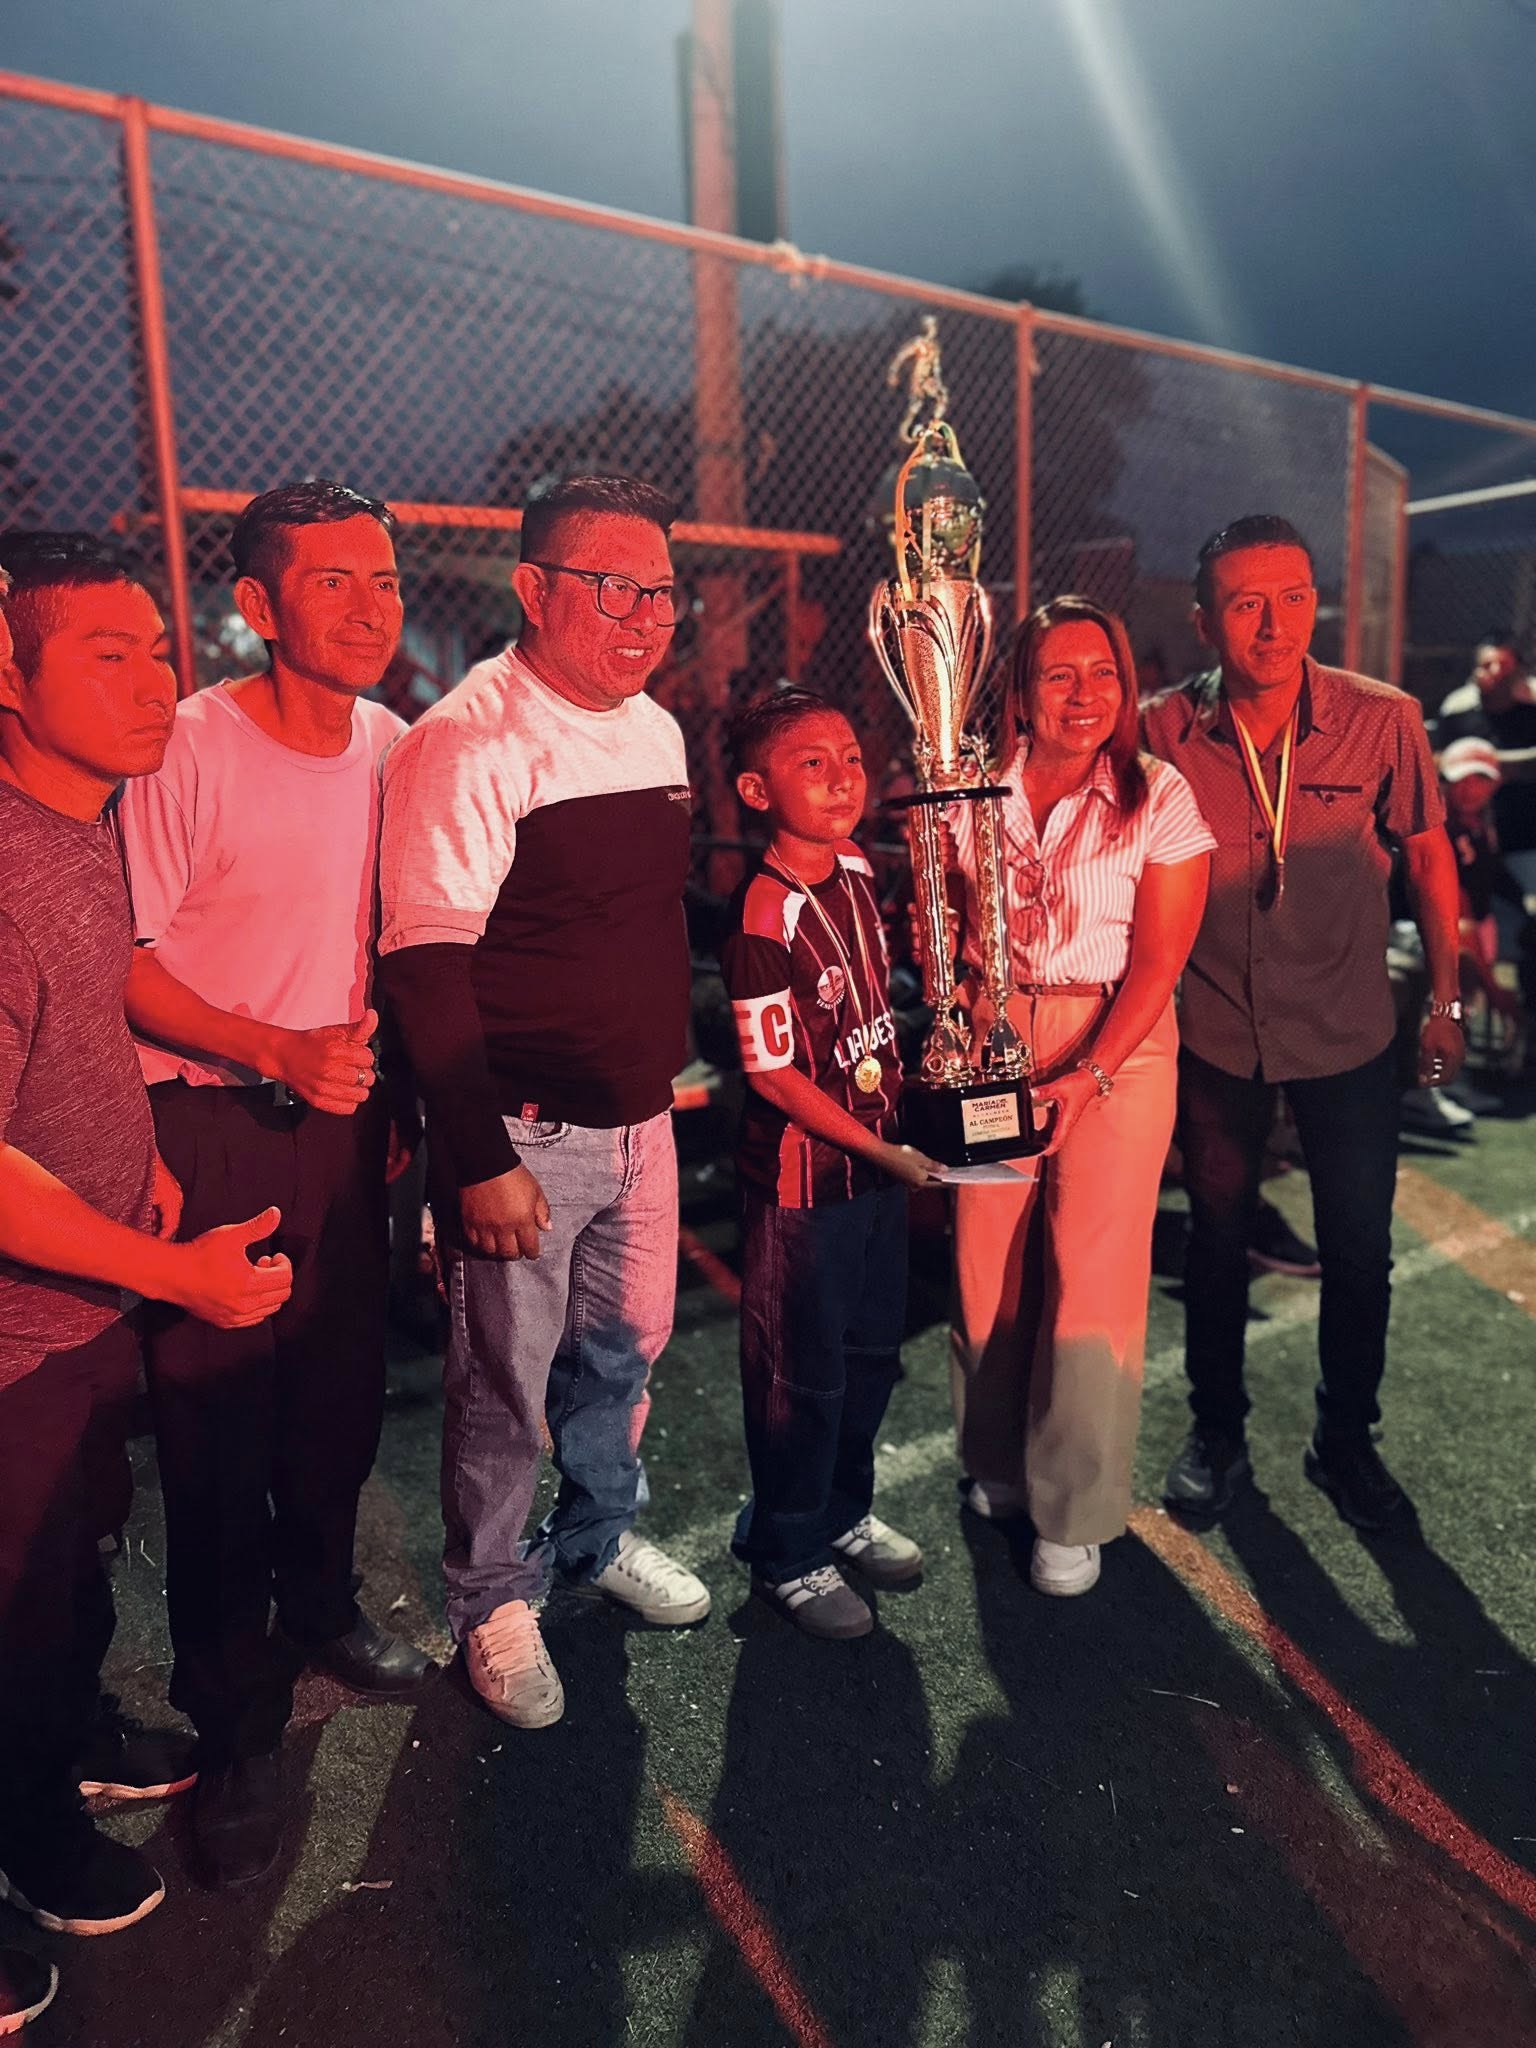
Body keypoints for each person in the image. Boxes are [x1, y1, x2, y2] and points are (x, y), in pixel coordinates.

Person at [114, 482, 432, 1891]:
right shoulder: (190, 746)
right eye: (332, 581)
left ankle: (320, 1607)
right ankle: (234, 1726)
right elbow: (124, 960)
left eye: (385, 579)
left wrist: (388, 1089)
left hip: (343, 1123)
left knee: (337, 1401)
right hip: (214, 1124)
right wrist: (270, 1047)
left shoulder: (396, 748)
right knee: (214, 1437)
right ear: (257, 605)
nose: (369, 608)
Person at [377, 473, 711, 1732]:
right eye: (615, 588)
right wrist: (475, 1155)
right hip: (525, 1127)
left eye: (662, 592)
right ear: (533, 587)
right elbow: (425, 965)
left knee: (625, 1350)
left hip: (642, 1119)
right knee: (503, 1380)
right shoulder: (470, 738)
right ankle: (491, 1595)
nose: (646, 617)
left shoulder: (656, 729)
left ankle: (597, 1533)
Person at [0, 539, 291, 1956]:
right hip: (14, 1342)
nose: (152, 682)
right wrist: (176, 1276)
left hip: (81, 1301)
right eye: (105, 655)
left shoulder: (80, 822)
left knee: (71, 1567)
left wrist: (145, 1159)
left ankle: (62, 1739)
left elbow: (78, 1024)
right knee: (20, 1594)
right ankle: (31, 1833)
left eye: (159, 650)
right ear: (8, 673)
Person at [1144, 514, 1464, 1531]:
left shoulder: (1385, 718)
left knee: (1359, 1249)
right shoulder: (1160, 730)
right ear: (1205, 622)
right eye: (1246, 604)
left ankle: (1345, 1439)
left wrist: (1446, 998)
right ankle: (1217, 1432)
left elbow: (1429, 857)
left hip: (1347, 1030)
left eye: (1292, 599)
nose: (1273, 626)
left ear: (1316, 603)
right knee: (1216, 1241)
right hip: (1216, 1031)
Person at [948, 597, 1215, 1595]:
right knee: (986, 1259)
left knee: (1092, 1268)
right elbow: (944, 926)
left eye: (1103, 672)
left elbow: (1159, 964)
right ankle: (995, 1459)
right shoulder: (969, 791)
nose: (1085, 693)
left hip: (1119, 1041)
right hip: (994, 1034)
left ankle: (1074, 1505)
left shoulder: (1161, 795)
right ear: (1020, 692)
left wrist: (1089, 1074)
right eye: (1059, 674)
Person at [719, 688, 936, 1639]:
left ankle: (843, 1511)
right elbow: (773, 1076)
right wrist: (881, 1145)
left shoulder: (853, 865)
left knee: (872, 1355)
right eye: (812, 764)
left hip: (876, 1173)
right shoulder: (762, 912)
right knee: (799, 1375)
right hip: (805, 1185)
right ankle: (787, 1551)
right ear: (756, 790)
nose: (843, 778)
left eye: (851, 757)